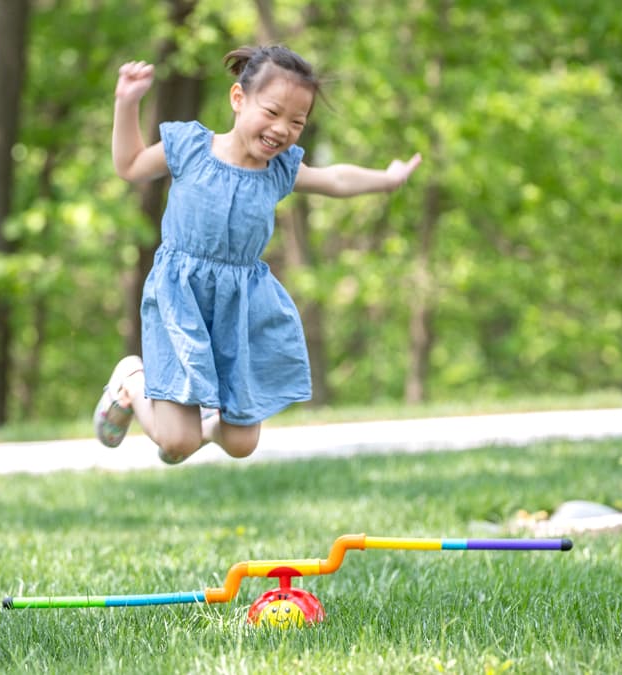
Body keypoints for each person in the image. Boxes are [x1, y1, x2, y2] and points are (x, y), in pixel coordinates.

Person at [98, 45, 421, 464]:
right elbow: (130, 164)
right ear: (238, 99)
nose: (282, 128)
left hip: (238, 309)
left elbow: (335, 178)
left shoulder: (280, 171)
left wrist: (387, 179)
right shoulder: (192, 148)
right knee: (176, 443)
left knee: (240, 443)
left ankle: (195, 429)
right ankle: (131, 381)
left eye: (297, 122)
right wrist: (127, 103)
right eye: (272, 112)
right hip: (181, 302)